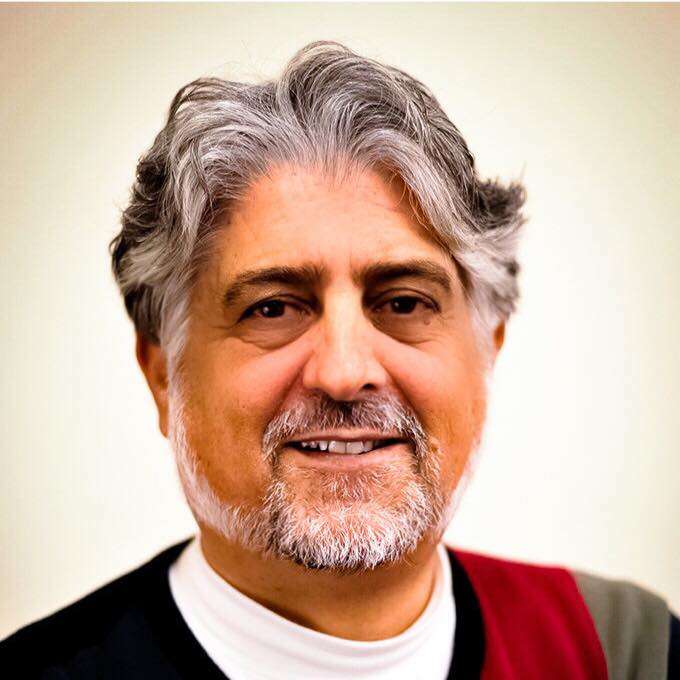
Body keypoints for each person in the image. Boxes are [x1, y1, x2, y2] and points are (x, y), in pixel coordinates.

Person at [1, 40, 677, 680]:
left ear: (487, 353)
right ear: (161, 376)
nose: (345, 371)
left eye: (404, 302)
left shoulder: (621, 648)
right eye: (272, 308)